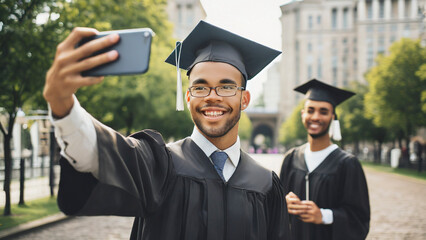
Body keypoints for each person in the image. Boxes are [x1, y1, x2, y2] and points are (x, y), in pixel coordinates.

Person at [44, 20, 291, 239]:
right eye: (200, 87)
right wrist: (63, 105)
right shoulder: (160, 163)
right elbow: (100, 151)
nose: (212, 97)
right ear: (188, 97)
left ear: (244, 99)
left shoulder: (266, 184)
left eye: (226, 87)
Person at [279, 79, 370, 240]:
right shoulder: (291, 158)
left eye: (323, 111)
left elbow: (359, 219)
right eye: (310, 110)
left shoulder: (347, 164)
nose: (315, 117)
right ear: (303, 114)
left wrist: (324, 215)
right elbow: (274, 209)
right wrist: (282, 204)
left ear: (333, 117)